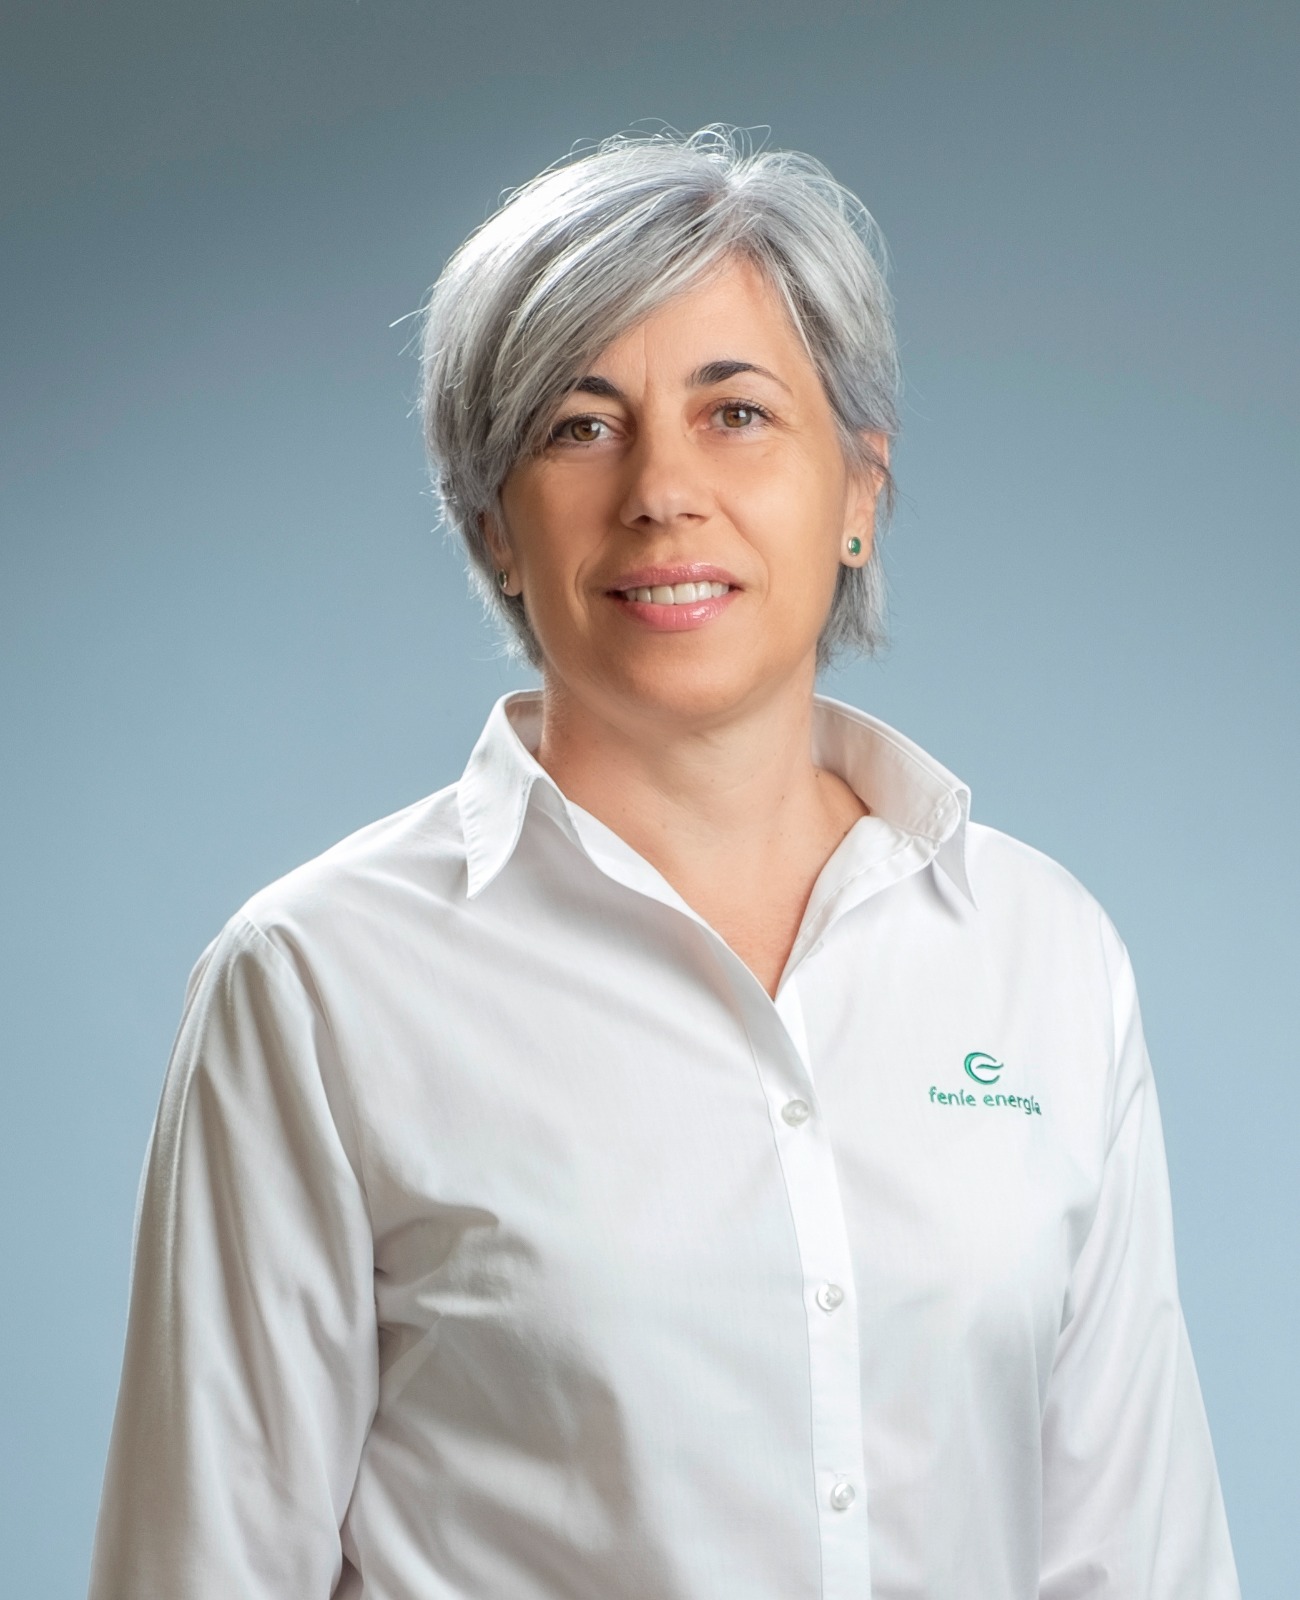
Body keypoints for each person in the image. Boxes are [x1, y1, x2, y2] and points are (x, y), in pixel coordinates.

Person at [89, 127, 1239, 1600]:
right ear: (493, 526)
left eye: (737, 412)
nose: (663, 490)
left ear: (861, 491)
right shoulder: (319, 983)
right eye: (580, 427)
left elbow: (1140, 1558)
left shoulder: (1040, 949)